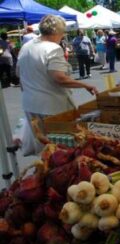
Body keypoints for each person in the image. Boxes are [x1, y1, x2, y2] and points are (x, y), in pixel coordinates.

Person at [16, 15, 98, 154]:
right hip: (52, 107)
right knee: (61, 149)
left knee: (44, 148)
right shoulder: (53, 48)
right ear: (57, 33)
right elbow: (59, 78)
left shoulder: (26, 46)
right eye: (62, 33)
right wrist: (85, 85)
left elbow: (19, 74)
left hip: (30, 105)